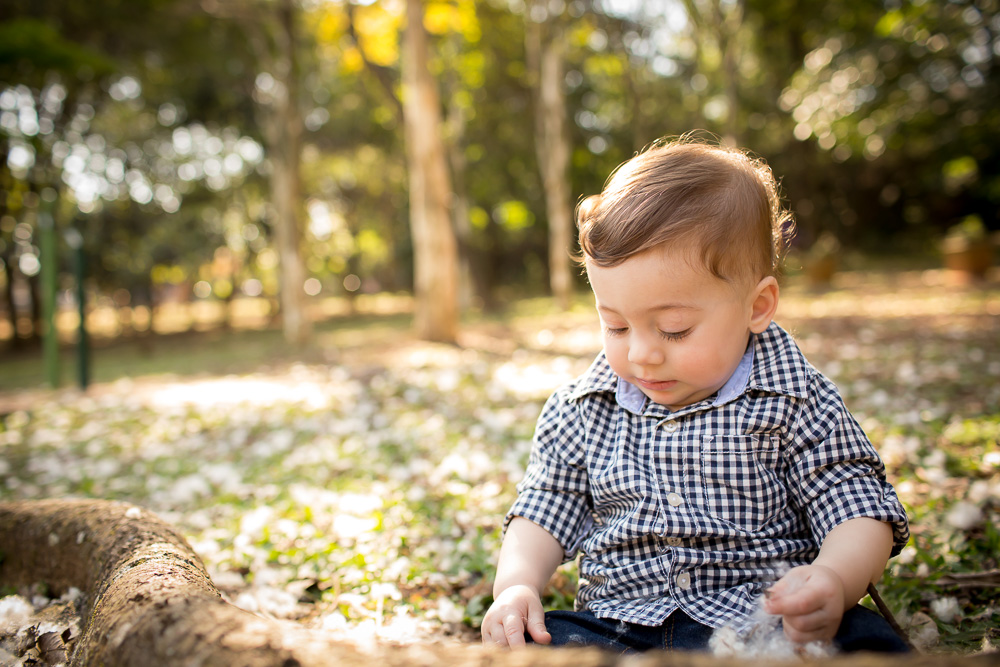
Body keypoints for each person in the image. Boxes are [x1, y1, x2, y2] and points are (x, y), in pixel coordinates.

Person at [480, 135, 910, 654]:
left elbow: (856, 506)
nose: (642, 354)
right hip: (619, 626)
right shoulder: (582, 410)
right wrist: (517, 585)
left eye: (675, 329)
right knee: (535, 648)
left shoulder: (797, 401)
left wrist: (834, 581)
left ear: (757, 306)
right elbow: (544, 508)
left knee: (864, 644)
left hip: (767, 621)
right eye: (615, 326)